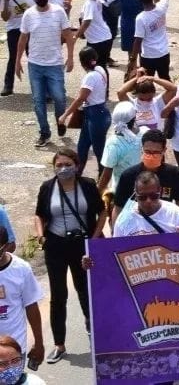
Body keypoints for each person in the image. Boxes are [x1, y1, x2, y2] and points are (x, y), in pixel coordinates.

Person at [33, 148, 105, 364]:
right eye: (59, 165)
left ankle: (94, 333)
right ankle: (59, 344)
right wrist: (40, 237)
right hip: (55, 245)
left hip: (82, 244)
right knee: (58, 295)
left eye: (67, 164)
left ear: (76, 165)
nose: (63, 169)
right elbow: (39, 214)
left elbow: (102, 212)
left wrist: (94, 238)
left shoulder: (88, 186)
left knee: (85, 290)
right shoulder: (47, 188)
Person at [15, 0, 75, 148]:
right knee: (38, 101)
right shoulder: (28, 15)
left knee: (60, 98)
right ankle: (44, 133)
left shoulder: (59, 12)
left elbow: (68, 36)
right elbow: (23, 38)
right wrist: (17, 61)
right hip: (35, 64)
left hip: (55, 64)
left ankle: (60, 121)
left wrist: (70, 58)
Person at [112, 128, 179, 221]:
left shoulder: (174, 174)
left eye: (156, 152)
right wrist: (115, 231)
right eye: (147, 152)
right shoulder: (128, 175)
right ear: (142, 149)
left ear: (164, 150)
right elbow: (118, 207)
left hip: (164, 222)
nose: (151, 156)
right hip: (136, 224)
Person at [58, 46, 111, 173]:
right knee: (82, 148)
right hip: (97, 114)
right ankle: (77, 176)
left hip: (95, 116)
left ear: (82, 62)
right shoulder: (100, 69)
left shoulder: (90, 77)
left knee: (99, 152)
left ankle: (102, 182)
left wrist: (65, 115)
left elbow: (81, 99)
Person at [0, 229, 44, 369]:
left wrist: (39, 342)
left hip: (13, 351)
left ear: (6, 246)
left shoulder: (21, 269)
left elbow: (31, 307)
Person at [112, 170, 179, 236]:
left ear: (160, 191)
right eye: (142, 197)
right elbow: (116, 250)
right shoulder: (124, 220)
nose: (148, 201)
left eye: (153, 196)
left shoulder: (175, 214)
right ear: (135, 194)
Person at [126, 0, 171, 80]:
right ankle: (174, 94)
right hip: (163, 53)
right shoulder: (161, 8)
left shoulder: (141, 18)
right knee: (165, 78)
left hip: (148, 56)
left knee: (145, 82)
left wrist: (132, 60)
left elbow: (138, 41)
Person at [1, 0, 32, 96]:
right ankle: (8, 86)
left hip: (29, 29)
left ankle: (38, 86)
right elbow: (5, 18)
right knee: (13, 57)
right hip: (14, 30)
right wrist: (7, 3)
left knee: (33, 57)